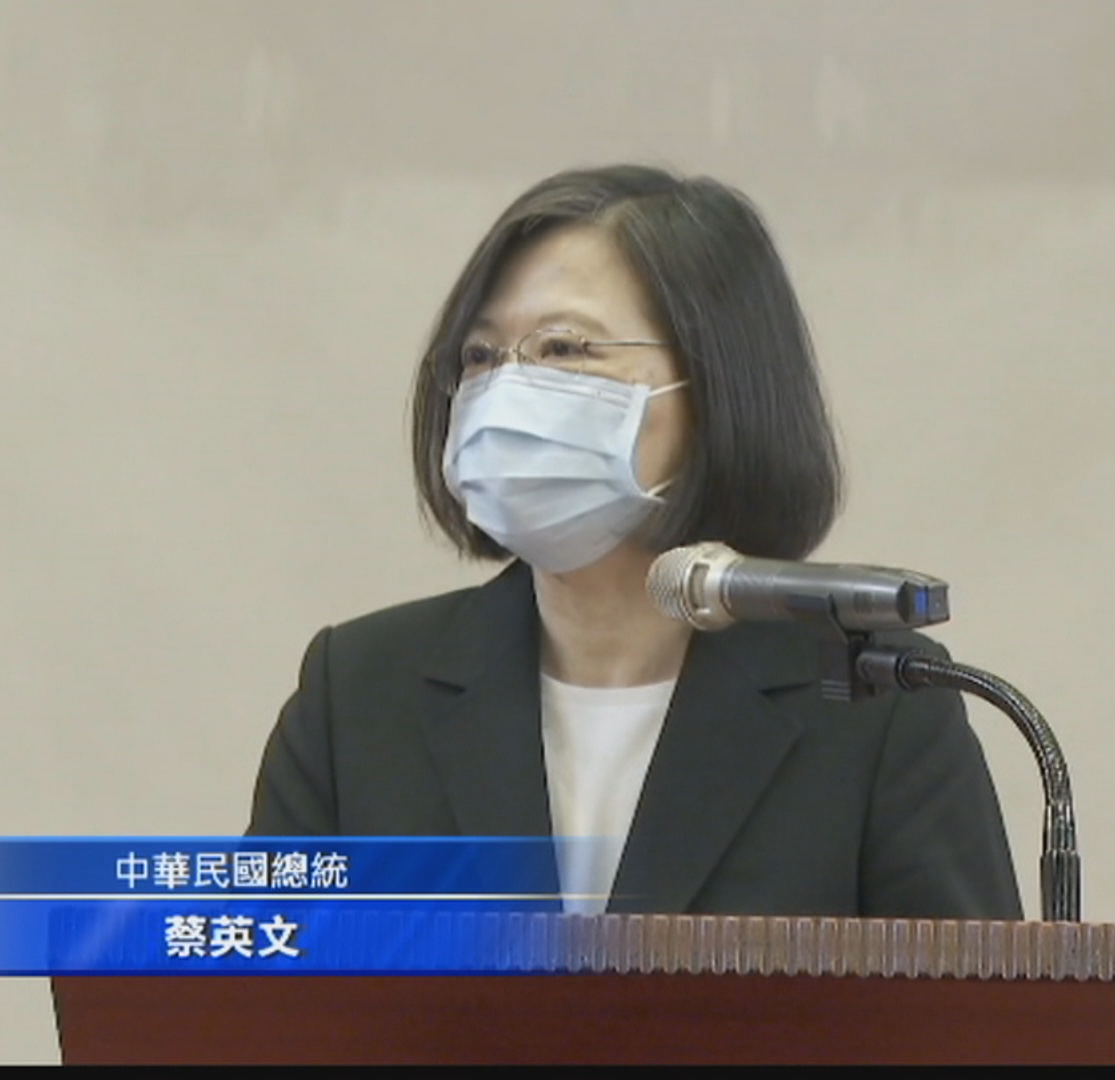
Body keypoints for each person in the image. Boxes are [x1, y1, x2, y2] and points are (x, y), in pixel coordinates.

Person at [247, 164, 1022, 920]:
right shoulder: (358, 695)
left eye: (564, 349)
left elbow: (970, 1002)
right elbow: (258, 981)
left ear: (713, 383)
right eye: (480, 356)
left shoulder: (874, 703)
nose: (506, 391)